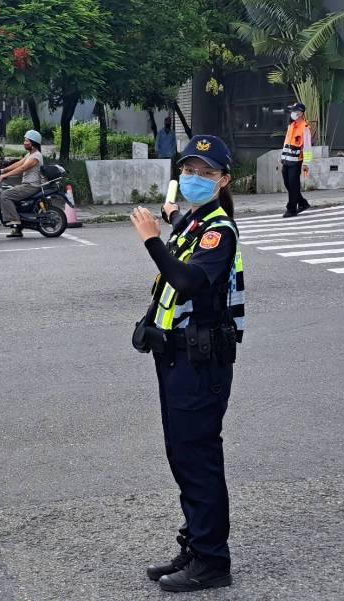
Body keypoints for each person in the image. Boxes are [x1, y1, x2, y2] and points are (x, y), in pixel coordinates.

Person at [130, 134, 242, 593]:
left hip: (202, 362)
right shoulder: (194, 223)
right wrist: (173, 218)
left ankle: (212, 560)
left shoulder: (219, 231)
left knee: (198, 459)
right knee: (182, 455)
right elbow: (180, 225)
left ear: (223, 181)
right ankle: (196, 544)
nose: (194, 179)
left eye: (205, 173)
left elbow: (189, 280)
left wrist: (152, 241)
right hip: (176, 357)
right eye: (188, 171)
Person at [0, 129, 43, 238]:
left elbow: (22, 168)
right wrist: (3, 170)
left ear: (33, 143)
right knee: (6, 191)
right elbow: (19, 163)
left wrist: (5, 175)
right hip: (27, 185)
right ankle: (17, 230)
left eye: (26, 141)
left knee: (5, 195)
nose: (24, 143)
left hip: (31, 186)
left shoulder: (36, 156)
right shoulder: (30, 154)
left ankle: (14, 220)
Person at [280, 101, 313, 218]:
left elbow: (308, 147)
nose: (291, 113)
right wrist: (282, 158)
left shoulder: (305, 128)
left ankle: (291, 209)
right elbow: (286, 142)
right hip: (286, 160)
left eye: (294, 111)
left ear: (300, 113)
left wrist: (306, 163)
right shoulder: (291, 125)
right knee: (288, 184)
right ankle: (303, 203)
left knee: (293, 185)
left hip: (296, 161)